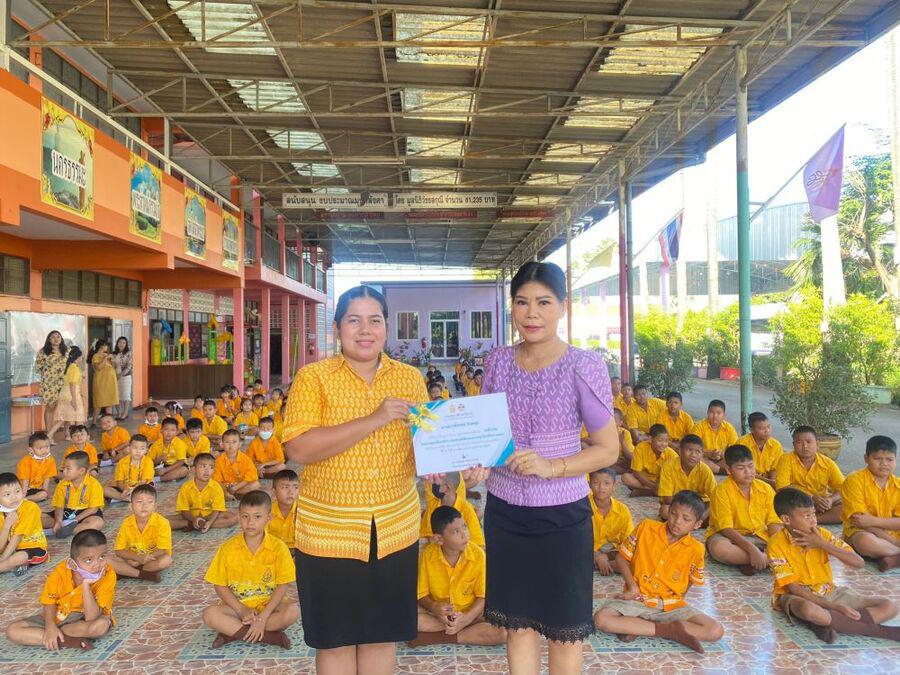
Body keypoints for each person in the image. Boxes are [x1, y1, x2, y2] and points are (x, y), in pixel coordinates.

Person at [282, 284, 440, 674]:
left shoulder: (410, 378)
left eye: (375, 320)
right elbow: (298, 448)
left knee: (381, 638)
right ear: (337, 328)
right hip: (329, 533)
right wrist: (375, 419)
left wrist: (451, 461)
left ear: (387, 327)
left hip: (395, 530)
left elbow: (426, 446)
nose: (365, 330)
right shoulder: (313, 377)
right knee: (335, 641)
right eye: (354, 320)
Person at [477, 262, 619, 674]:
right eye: (522, 302)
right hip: (505, 513)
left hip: (562, 517)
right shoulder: (498, 361)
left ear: (562, 307)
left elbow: (608, 449)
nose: (532, 313)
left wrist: (552, 466)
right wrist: (475, 465)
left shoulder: (583, 365)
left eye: (543, 302)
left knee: (564, 630)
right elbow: (485, 435)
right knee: (517, 626)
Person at [593, 491, 724, 653]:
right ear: (668, 511)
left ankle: (641, 627)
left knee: (715, 630)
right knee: (601, 619)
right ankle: (669, 630)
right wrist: (632, 587)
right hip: (638, 599)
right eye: (674, 514)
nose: (677, 521)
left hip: (669, 604)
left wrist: (679, 602)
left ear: (697, 524)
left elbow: (691, 580)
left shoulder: (697, 549)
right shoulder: (646, 527)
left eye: (686, 519)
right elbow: (621, 558)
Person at [767, 487, 900, 643]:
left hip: (829, 591)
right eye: (806, 516)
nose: (813, 520)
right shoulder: (776, 544)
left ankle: (825, 623)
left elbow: (859, 563)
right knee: (809, 610)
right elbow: (794, 588)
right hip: (796, 596)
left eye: (814, 514)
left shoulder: (822, 535)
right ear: (786, 519)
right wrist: (835, 607)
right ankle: (880, 631)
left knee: (890, 607)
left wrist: (822, 544)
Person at [202, 490, 300, 649]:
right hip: (237, 608)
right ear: (239, 517)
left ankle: (233, 632)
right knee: (210, 615)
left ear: (269, 517)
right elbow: (219, 585)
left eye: (257, 517)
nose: (250, 522)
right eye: (245, 516)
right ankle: (270, 637)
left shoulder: (279, 548)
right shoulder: (227, 548)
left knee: (292, 612)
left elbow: (283, 585)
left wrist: (263, 617)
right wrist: (241, 610)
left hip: (270, 607)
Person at [5, 529, 115, 651]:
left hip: (82, 621)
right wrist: (50, 626)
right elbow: (49, 601)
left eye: (102, 557)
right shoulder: (61, 571)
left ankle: (58, 636)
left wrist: (86, 584)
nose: (97, 564)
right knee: (13, 631)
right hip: (58, 615)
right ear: (72, 563)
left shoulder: (108, 574)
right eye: (89, 560)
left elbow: (91, 618)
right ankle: (69, 640)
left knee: (100, 626)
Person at [412, 505, 506, 647]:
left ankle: (439, 637)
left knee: (502, 631)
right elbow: (421, 594)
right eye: (456, 531)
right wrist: (434, 607)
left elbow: (483, 596)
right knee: (409, 620)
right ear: (439, 539)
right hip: (440, 617)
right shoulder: (427, 555)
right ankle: (462, 630)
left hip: (472, 614)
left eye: (465, 527)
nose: (465, 534)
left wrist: (466, 618)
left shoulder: (478, 555)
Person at [706, 444, 782, 576]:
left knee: (791, 539)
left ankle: (752, 560)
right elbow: (726, 529)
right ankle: (770, 560)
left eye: (751, 466)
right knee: (720, 549)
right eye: (741, 468)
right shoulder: (721, 491)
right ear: (729, 470)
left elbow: (773, 522)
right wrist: (752, 550)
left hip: (759, 536)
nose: (748, 472)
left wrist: (778, 544)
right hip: (729, 537)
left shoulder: (765, 488)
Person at [840, 435, 900, 571]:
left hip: (893, 534)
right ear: (866, 458)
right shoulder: (854, 480)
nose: (884, 464)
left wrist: (873, 520)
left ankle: (891, 556)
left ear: (895, 460)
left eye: (889, 459)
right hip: (862, 532)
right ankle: (895, 555)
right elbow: (861, 522)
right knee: (865, 542)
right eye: (877, 459)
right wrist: (894, 542)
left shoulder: (898, 484)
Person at [775, 426, 844, 524]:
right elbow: (782, 487)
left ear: (817, 444)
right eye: (799, 443)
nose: (805, 446)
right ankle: (809, 518)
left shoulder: (828, 463)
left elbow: (843, 487)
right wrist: (811, 497)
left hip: (819, 505)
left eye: (809, 442)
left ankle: (811, 519)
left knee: (848, 506)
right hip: (795, 503)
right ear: (794, 445)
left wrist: (830, 500)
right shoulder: (785, 459)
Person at [107, 484, 172, 583]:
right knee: (106, 559)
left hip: (152, 558)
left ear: (155, 506)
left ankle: (127, 572)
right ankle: (142, 574)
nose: (144, 506)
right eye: (139, 502)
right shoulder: (126, 523)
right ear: (131, 506)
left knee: (166, 560)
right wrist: (136, 557)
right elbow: (119, 551)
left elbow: (162, 550)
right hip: (132, 559)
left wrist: (143, 559)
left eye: (149, 502)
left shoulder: (162, 522)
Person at [169, 453, 238, 532]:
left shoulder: (216, 487)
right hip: (191, 516)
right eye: (203, 466)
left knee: (233, 518)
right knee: (165, 521)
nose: (207, 471)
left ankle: (197, 525)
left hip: (209, 515)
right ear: (194, 469)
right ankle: (192, 523)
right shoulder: (186, 487)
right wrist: (194, 519)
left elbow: (217, 510)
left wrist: (210, 523)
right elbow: (184, 510)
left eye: (211, 467)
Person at [42, 451, 105, 537]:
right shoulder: (62, 484)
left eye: (68, 469)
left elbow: (93, 509)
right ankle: (61, 527)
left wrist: (74, 520)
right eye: (64, 468)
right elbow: (59, 506)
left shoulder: (94, 484)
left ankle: (61, 530)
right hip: (67, 512)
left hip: (86, 513)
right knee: (38, 518)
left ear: (81, 471)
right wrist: (58, 520)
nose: (64, 471)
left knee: (97, 523)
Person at [657, 434, 716, 521]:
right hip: (676, 504)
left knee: (715, 512)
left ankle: (690, 521)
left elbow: (715, 497)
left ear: (702, 454)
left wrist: (703, 516)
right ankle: (691, 521)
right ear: (680, 450)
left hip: (698, 505)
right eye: (689, 450)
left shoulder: (705, 470)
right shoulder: (668, 467)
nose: (693, 455)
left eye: (698, 452)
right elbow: (668, 499)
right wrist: (688, 510)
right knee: (664, 510)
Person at [0, 472, 49, 575]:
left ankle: (6, 566)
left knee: (19, 557)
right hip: (12, 549)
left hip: (33, 547)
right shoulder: (1, 512)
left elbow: (18, 536)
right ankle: (18, 565)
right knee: (14, 557)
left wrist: (3, 559)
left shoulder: (30, 508)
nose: (14, 497)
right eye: (7, 494)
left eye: (17, 491)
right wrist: (7, 526)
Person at [588, 468, 634, 576]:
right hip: (587, 550)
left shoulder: (622, 510)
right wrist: (596, 556)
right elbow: (577, 539)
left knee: (635, 563)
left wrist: (607, 556)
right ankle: (598, 563)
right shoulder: (583, 508)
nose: (601, 487)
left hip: (612, 551)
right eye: (596, 482)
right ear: (589, 485)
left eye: (606, 483)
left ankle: (600, 565)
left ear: (614, 487)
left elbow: (629, 542)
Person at [420, 473, 484, 547]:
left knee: (478, 513)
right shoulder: (433, 505)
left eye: (436, 483)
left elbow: (477, 542)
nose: (433, 485)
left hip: (461, 550)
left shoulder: (466, 509)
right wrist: (432, 539)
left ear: (447, 488)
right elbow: (426, 533)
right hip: (440, 549)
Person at [621, 424, 677, 497]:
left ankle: (645, 492)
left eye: (666, 441)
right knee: (626, 478)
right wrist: (652, 486)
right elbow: (636, 472)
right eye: (660, 440)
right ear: (650, 439)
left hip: (661, 480)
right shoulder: (641, 448)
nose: (663, 444)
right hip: (644, 479)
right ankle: (655, 491)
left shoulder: (670, 453)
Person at [36, 331, 69, 440]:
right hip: (50, 384)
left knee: (66, 407)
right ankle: (49, 435)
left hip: (64, 383)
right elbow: (38, 368)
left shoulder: (66, 351)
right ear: (49, 339)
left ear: (61, 338)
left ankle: (67, 433)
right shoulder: (44, 351)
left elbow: (71, 366)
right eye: (53, 337)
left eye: (58, 336)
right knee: (50, 408)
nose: (56, 339)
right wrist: (50, 375)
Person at [48, 346, 84, 443]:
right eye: (81, 356)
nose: (81, 358)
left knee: (64, 418)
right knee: (78, 417)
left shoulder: (69, 366)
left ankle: (61, 435)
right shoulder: (74, 368)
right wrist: (74, 399)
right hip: (71, 394)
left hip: (65, 393)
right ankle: (83, 439)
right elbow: (72, 384)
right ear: (78, 357)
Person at [736, 412, 783, 486]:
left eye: (768, 426)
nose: (767, 431)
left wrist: (773, 483)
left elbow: (775, 469)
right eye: (762, 428)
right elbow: (744, 471)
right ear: (751, 430)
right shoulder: (742, 444)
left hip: (768, 481)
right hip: (747, 481)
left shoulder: (776, 445)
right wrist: (769, 482)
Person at [691, 400, 738, 475]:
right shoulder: (698, 427)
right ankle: (720, 470)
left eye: (718, 413)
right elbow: (693, 448)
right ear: (707, 413)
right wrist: (708, 453)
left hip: (721, 461)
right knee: (694, 457)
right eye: (711, 412)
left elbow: (735, 449)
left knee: (737, 459)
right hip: (704, 459)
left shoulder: (729, 428)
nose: (715, 416)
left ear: (724, 415)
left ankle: (713, 469)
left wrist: (723, 454)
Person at [213, 430, 262, 500]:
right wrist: (225, 489)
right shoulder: (218, 461)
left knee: (256, 484)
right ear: (222, 445)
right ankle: (231, 494)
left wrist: (235, 488)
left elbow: (250, 477)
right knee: (213, 486)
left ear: (240, 444)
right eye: (227, 442)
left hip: (240, 486)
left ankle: (230, 495)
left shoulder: (245, 459)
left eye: (234, 442)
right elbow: (217, 480)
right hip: (226, 486)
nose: (231, 445)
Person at [104, 435, 154, 503]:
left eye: (142, 448)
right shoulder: (122, 462)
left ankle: (120, 498)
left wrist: (133, 490)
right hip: (125, 488)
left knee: (148, 490)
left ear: (146, 450)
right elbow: (119, 481)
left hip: (141, 487)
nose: (138, 451)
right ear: (129, 448)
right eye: (135, 448)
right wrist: (126, 490)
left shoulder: (148, 462)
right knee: (104, 490)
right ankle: (125, 498)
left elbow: (144, 481)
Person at [17, 431, 57, 503]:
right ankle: (22, 499)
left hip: (37, 489)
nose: (45, 450)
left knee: (43, 494)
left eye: (47, 447)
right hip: (23, 488)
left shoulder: (51, 460)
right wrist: (23, 494)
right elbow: (25, 480)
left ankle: (24, 500)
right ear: (31, 450)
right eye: (40, 448)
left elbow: (47, 478)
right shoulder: (25, 461)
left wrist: (45, 491)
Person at [148, 418, 189, 482]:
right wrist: (158, 459)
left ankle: (158, 479)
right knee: (147, 469)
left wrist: (166, 470)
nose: (169, 432)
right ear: (161, 430)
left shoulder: (180, 444)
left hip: (175, 466)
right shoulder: (156, 444)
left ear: (177, 432)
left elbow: (181, 461)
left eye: (173, 430)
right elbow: (150, 462)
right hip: (161, 466)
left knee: (184, 470)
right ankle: (170, 477)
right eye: (166, 429)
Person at [268, 469, 300, 549]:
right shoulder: (267, 511)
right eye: (285, 487)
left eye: (295, 487)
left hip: (296, 551)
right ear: (274, 492)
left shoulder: (302, 511)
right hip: (274, 550)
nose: (291, 492)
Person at [89, 339, 119, 426]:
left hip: (110, 382)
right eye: (106, 345)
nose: (107, 347)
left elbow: (113, 367)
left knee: (110, 403)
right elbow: (98, 367)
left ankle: (109, 423)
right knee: (99, 403)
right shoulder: (95, 356)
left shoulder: (107, 355)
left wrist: (113, 361)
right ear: (101, 346)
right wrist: (105, 358)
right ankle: (94, 422)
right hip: (101, 382)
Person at [111, 337, 132, 421]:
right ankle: (119, 413)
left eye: (123, 342)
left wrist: (121, 374)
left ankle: (125, 413)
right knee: (116, 396)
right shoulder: (114, 354)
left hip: (125, 377)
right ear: (117, 343)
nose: (121, 344)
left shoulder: (129, 353)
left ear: (126, 344)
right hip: (115, 377)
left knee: (126, 395)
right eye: (120, 342)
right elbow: (111, 365)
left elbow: (129, 366)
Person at [608, 408, 634, 474]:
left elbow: (630, 456)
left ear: (620, 423)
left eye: (614, 421)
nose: (609, 424)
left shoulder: (625, 433)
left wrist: (622, 442)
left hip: (623, 459)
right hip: (609, 460)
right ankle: (625, 471)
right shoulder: (602, 432)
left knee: (633, 461)